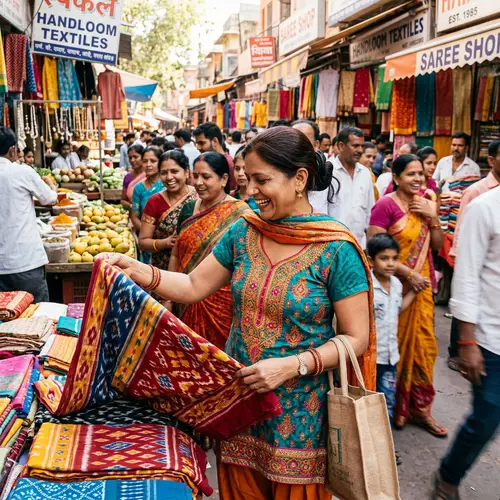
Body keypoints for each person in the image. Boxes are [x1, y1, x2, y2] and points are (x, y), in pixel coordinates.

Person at [102, 126, 373, 499]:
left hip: (299, 417)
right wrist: (139, 271)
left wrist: (292, 365)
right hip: (240, 404)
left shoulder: (336, 249)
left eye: (262, 180)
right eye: (249, 179)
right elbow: (193, 285)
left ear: (299, 179)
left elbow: (356, 338)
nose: (250, 192)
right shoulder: (243, 232)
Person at [368, 154, 447, 437]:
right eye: (410, 174)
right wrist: (408, 274)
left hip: (421, 286)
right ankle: (394, 407)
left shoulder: (427, 201)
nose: (417, 179)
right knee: (393, 345)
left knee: (424, 348)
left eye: (420, 175)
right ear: (396, 177)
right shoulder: (385, 206)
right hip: (394, 285)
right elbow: (374, 248)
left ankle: (421, 409)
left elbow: (437, 246)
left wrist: (433, 216)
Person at [431, 187, 500, 500]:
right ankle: (449, 475)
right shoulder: (483, 208)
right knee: (486, 417)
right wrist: (467, 342)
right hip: (490, 338)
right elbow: (467, 277)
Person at [167, 152, 250, 349]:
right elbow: (176, 253)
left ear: (223, 179)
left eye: (206, 177)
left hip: (222, 303)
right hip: (184, 295)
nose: (198, 182)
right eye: (195, 176)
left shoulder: (241, 213)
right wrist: (168, 297)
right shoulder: (188, 210)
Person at [446, 140, 500, 372]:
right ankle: (453, 350)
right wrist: (467, 343)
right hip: (492, 339)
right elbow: (462, 236)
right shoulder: (480, 199)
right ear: (491, 160)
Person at [367, 233, 415, 467]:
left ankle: (384, 447)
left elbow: (397, 312)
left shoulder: (396, 284)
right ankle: (365, 448)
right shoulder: (366, 286)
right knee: (366, 403)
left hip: (389, 357)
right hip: (368, 357)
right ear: (371, 260)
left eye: (394, 259)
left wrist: (414, 292)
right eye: (384, 258)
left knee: (387, 403)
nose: (390, 264)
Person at [0, 128, 57, 302]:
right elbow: (49, 199)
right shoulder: (21, 171)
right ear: (13, 150)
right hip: (26, 262)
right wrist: (52, 186)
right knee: (37, 319)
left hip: (2, 267)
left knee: (5, 322)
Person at [139, 150, 197, 271]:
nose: (169, 177)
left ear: (186, 172)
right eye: (164, 173)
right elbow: (143, 242)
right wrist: (165, 243)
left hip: (197, 268)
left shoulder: (199, 197)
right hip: (163, 271)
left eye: (174, 171)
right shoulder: (155, 201)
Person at [329, 126, 375, 249]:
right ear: (341, 146)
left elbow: (370, 211)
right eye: (355, 146)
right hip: (332, 246)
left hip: (359, 245)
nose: (360, 150)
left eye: (362, 146)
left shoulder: (365, 173)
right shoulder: (328, 171)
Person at [131, 146, 164, 241]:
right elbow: (134, 217)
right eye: (145, 161)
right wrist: (148, 233)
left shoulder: (167, 185)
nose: (148, 165)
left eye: (153, 161)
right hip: (146, 239)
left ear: (160, 163)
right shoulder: (139, 188)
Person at [193, 122, 236, 191]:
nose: (198, 148)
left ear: (215, 141)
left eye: (202, 143)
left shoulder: (229, 163)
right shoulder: (204, 161)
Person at [121, 144, 145, 211]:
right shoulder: (128, 177)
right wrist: (134, 207)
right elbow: (123, 200)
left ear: (143, 157)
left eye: (135, 157)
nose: (132, 160)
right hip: (133, 215)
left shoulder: (149, 175)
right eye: (130, 157)